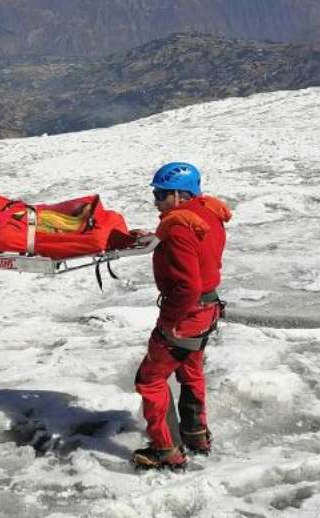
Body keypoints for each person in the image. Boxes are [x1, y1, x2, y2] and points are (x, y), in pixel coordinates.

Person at [132, 161, 232, 469]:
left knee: (150, 379)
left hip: (187, 314)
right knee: (190, 371)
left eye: (162, 195)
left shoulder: (179, 228)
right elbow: (197, 248)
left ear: (179, 194)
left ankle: (165, 450)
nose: (157, 202)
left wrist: (170, 323)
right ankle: (196, 433)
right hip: (207, 310)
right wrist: (157, 237)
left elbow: (187, 285)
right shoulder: (207, 213)